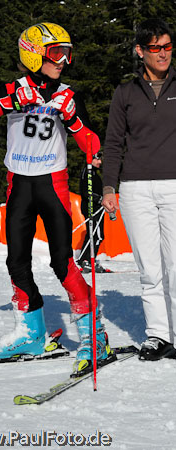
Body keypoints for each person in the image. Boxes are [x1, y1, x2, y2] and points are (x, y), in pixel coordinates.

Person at [0, 22, 114, 372]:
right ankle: (30, 333)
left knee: (63, 263)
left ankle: (94, 338)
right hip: (19, 185)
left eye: (67, 53)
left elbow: (92, 147)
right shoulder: (13, 88)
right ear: (33, 55)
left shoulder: (68, 94)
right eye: (56, 53)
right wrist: (9, 102)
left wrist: (74, 120)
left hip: (53, 185)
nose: (63, 60)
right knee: (16, 262)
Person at [102, 18, 176, 361]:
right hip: (135, 190)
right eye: (155, 48)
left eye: (167, 46)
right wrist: (109, 188)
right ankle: (158, 335)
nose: (163, 53)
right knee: (149, 268)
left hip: (174, 186)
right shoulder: (125, 93)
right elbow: (114, 143)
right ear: (140, 51)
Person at [78, 151, 107, 273]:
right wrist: (99, 199)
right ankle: (84, 260)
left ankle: (89, 259)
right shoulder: (87, 172)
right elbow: (86, 192)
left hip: (98, 208)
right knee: (96, 235)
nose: (100, 162)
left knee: (97, 235)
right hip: (91, 208)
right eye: (97, 159)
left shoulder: (94, 174)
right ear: (90, 159)